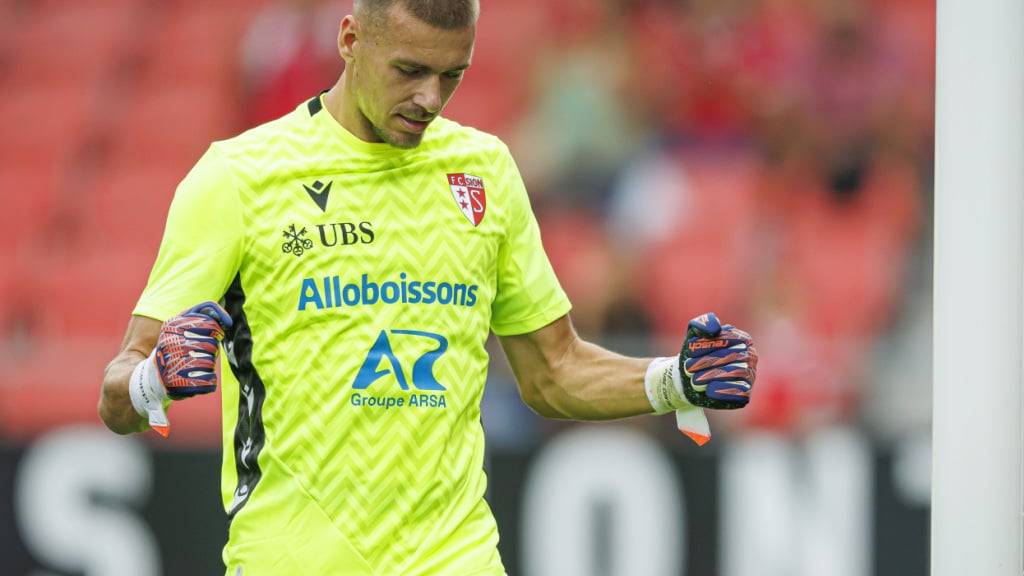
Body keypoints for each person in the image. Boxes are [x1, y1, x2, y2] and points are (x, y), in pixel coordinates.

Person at [97, 1, 757, 574]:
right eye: (409, 70)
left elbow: (554, 371)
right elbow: (117, 394)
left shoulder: (484, 172)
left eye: (452, 75)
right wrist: (153, 378)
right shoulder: (239, 179)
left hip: (456, 559)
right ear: (351, 40)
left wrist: (675, 381)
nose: (430, 100)